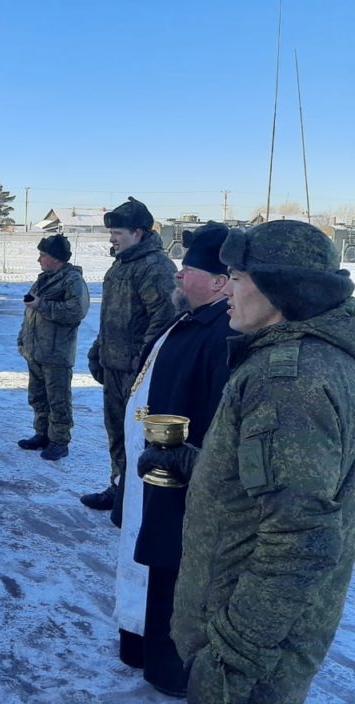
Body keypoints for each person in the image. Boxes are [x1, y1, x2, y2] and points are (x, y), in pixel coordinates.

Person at [171, 220, 355, 704]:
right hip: (265, 640)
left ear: (280, 288)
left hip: (251, 658)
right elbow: (285, 484)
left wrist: (232, 656)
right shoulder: (319, 358)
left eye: (237, 277)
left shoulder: (288, 381)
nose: (226, 288)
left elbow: (300, 538)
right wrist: (196, 464)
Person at [113, 222, 233, 697]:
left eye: (189, 270)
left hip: (179, 485)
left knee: (173, 572)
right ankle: (140, 643)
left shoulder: (221, 334)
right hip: (151, 474)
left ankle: (168, 666)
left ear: (221, 282)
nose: (179, 277)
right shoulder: (189, 318)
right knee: (147, 563)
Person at [83, 197, 177, 510]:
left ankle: (136, 499)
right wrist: (99, 351)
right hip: (114, 366)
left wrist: (142, 366)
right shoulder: (120, 265)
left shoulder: (156, 268)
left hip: (136, 373)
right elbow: (111, 316)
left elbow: (162, 320)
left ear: (138, 233)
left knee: (138, 437)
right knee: (117, 433)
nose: (111, 238)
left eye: (117, 233)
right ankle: (119, 487)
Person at [16, 234, 91, 461]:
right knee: (38, 397)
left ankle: (59, 441)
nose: (39, 260)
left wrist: (42, 304)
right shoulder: (44, 278)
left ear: (56, 259)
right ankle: (42, 434)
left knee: (58, 400)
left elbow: (76, 311)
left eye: (43, 255)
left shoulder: (72, 281)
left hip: (56, 353)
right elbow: (30, 312)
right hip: (36, 351)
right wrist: (23, 340)